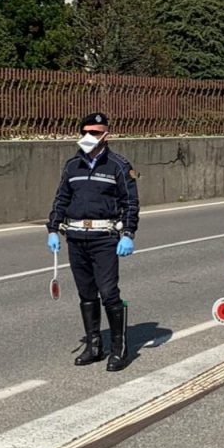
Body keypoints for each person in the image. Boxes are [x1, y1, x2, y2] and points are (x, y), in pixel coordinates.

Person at [46, 112, 140, 372]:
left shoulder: (118, 166)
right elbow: (61, 199)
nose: (90, 137)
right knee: (86, 293)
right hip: (76, 237)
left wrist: (129, 234)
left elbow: (130, 203)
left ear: (106, 134)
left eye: (96, 132)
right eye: (86, 132)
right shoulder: (72, 166)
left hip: (104, 238)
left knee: (109, 292)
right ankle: (94, 345)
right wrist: (53, 228)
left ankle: (119, 348)